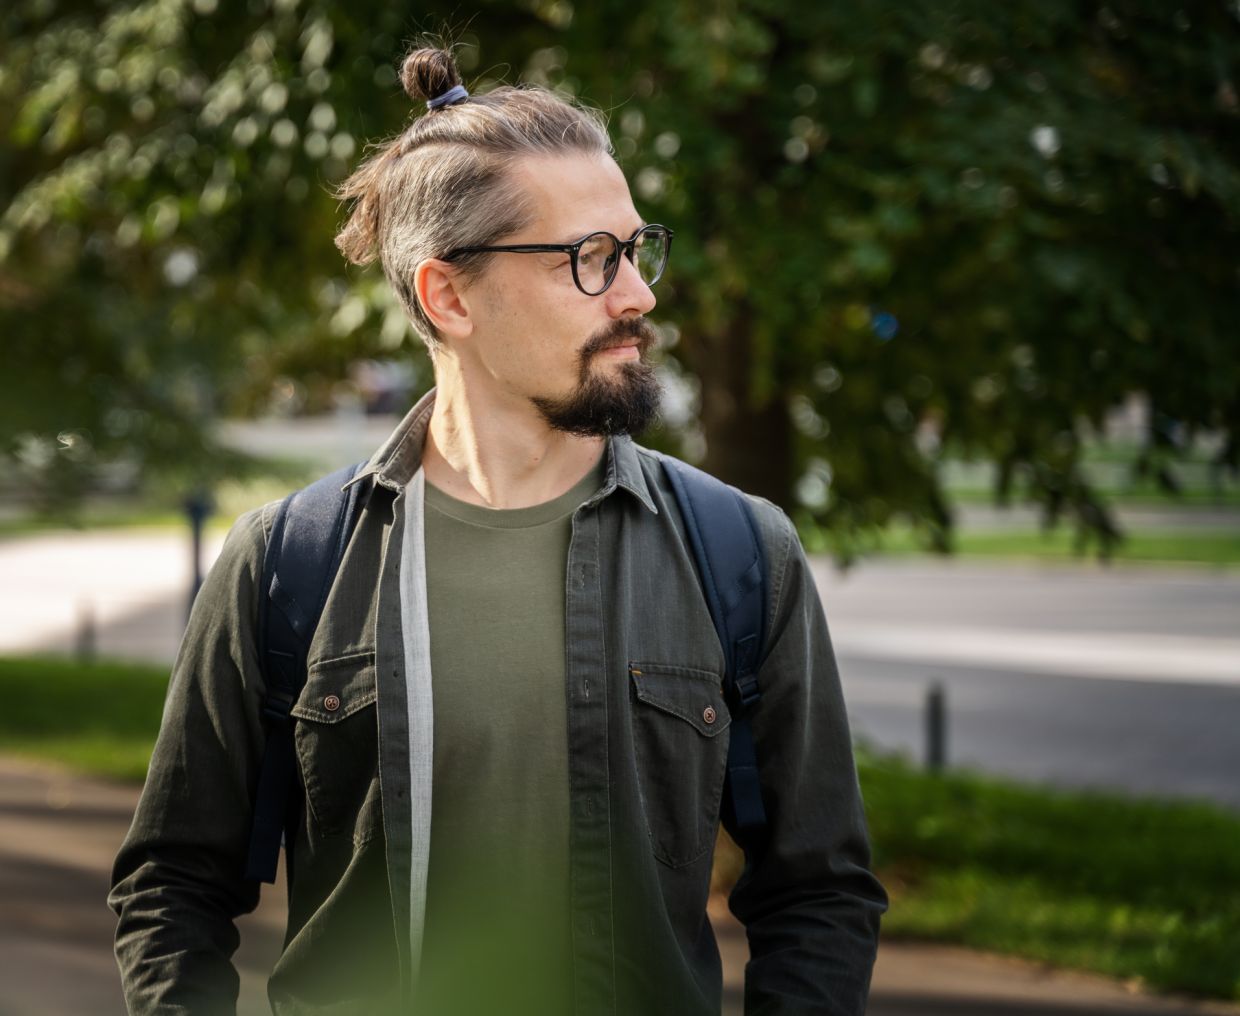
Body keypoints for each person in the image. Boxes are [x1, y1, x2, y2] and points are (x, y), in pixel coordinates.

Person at [109, 44, 887, 1016]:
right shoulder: (286, 562)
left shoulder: (738, 551)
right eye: (590, 259)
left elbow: (819, 891)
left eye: (637, 249)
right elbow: (172, 883)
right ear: (449, 295)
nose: (639, 293)